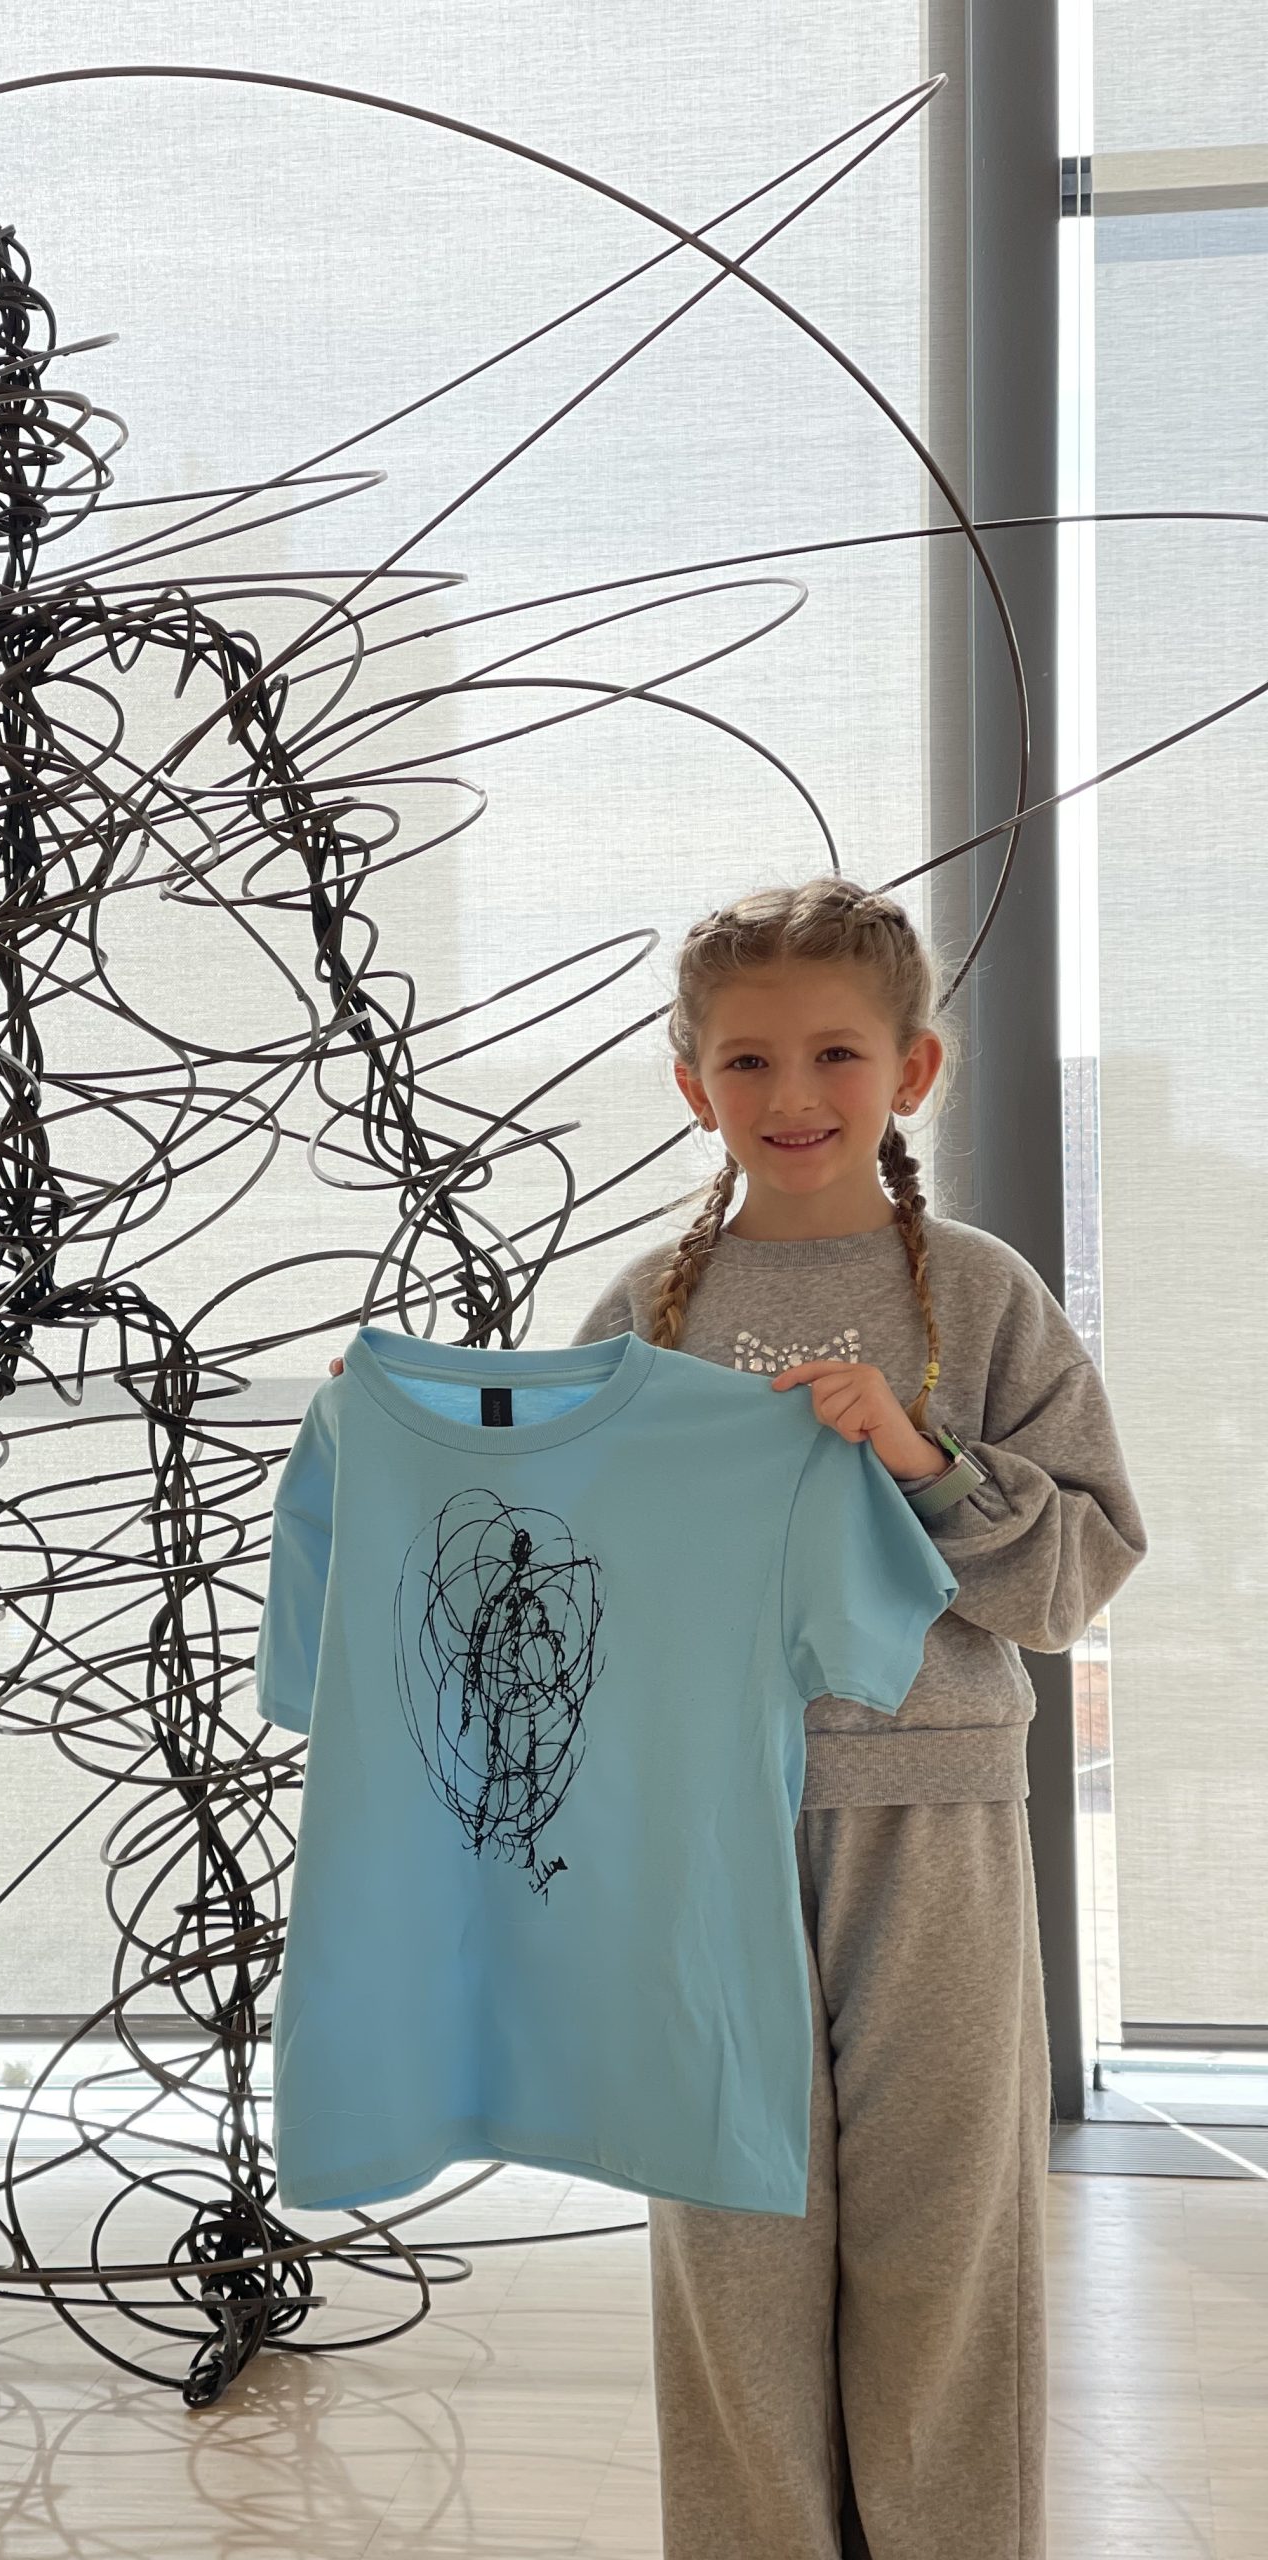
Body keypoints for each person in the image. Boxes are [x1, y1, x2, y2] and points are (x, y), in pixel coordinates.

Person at [324, 874, 1147, 2559]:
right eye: (749, 1061)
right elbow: (549, 1583)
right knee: (729, 2229)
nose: (793, 1097)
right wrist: (417, 1457)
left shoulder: (983, 1299)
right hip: (691, 1829)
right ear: (690, 1083)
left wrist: (917, 1464)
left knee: (942, 2230)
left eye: (836, 1054)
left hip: (932, 1817)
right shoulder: (646, 1312)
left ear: (914, 1070)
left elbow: (1075, 1578)